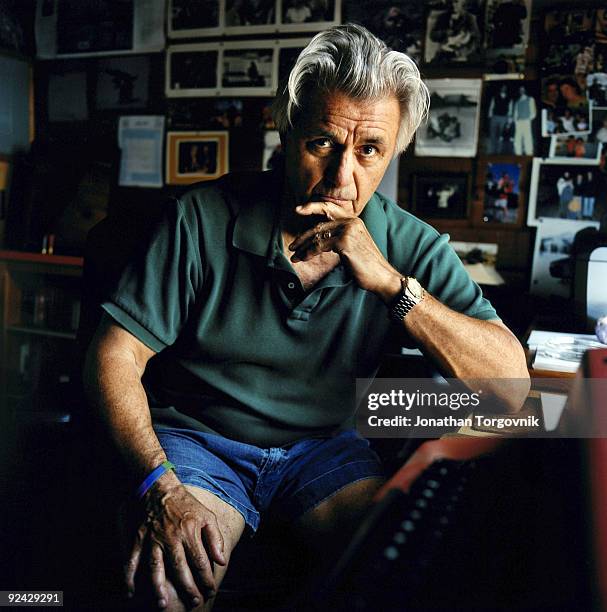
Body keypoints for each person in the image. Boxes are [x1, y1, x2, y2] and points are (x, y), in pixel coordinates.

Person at [84, 25, 529, 612]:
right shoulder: (200, 218)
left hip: (324, 451)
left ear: (392, 152)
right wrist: (159, 487)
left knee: (400, 575)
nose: (343, 176)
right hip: (201, 440)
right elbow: (114, 355)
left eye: (369, 151)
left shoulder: (410, 244)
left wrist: (394, 286)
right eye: (323, 142)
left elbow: (510, 389)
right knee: (174, 587)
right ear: (286, 128)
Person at [486, 84, 513, 154]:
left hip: (504, 118)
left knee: (501, 136)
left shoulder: (509, 98)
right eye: (502, 88)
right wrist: (490, 117)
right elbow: (491, 107)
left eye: (505, 88)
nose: (503, 89)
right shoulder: (495, 97)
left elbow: (510, 109)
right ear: (500, 89)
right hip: (494, 117)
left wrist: (509, 120)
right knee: (492, 134)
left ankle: (499, 151)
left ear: (506, 90)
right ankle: (492, 150)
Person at [512, 85, 536, 155]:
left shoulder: (530, 99)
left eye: (523, 89)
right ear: (519, 91)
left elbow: (533, 112)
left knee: (527, 138)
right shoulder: (517, 101)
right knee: (517, 139)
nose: (522, 91)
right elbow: (515, 113)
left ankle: (529, 153)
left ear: (525, 90)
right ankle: (518, 153)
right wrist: (515, 121)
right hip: (519, 122)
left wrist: (528, 119)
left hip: (526, 121)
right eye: (520, 90)